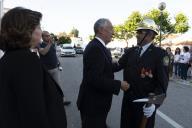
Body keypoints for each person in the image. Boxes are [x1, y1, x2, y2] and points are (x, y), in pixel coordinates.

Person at [0, 7, 67, 128]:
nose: (41, 32)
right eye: (39, 27)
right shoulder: (26, 61)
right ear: (26, 31)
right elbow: (34, 114)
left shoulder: (10, 58)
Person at [116, 18, 169, 128]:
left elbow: (162, 84)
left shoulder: (160, 55)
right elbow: (117, 66)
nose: (137, 35)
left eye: (140, 32)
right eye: (137, 32)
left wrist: (154, 104)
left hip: (145, 106)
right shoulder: (130, 52)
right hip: (128, 103)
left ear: (150, 35)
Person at [77, 18, 129, 128]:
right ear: (101, 30)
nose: (113, 32)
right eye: (111, 29)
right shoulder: (95, 48)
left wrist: (126, 58)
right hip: (92, 105)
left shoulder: (101, 47)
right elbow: (94, 79)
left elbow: (108, 67)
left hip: (98, 104)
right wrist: (119, 84)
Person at [39, 31, 71, 105]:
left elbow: (54, 55)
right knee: (46, 87)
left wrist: (58, 62)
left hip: (54, 68)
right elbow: (43, 52)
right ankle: (46, 102)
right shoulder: (40, 45)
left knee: (58, 86)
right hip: (46, 70)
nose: (48, 37)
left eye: (49, 35)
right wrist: (49, 44)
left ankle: (62, 100)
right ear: (42, 37)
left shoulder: (52, 45)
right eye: (46, 36)